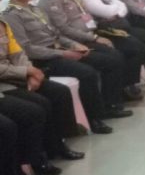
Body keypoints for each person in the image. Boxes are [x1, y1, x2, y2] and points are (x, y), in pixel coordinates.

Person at [1, 0, 119, 134]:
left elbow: (56, 34)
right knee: (87, 73)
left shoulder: (35, 9)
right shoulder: (11, 16)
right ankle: (94, 119)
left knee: (108, 60)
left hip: (58, 50)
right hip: (42, 59)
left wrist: (74, 44)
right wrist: (62, 54)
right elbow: (27, 49)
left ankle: (108, 105)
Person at [39, 0, 143, 102]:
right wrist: (94, 37)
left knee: (127, 47)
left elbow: (87, 17)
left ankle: (119, 94)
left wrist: (96, 35)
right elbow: (63, 29)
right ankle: (111, 102)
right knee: (113, 59)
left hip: (89, 34)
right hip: (72, 42)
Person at [0, 16, 85, 164]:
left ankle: (57, 145)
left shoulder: (3, 24)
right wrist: (26, 72)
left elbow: (18, 54)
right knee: (36, 108)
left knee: (59, 92)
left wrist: (30, 72)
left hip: (17, 74)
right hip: (5, 81)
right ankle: (35, 159)